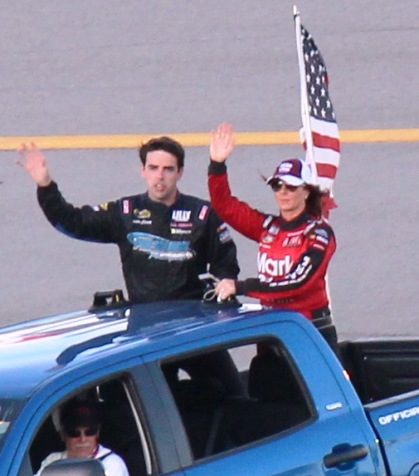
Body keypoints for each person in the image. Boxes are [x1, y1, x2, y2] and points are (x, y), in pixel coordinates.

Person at [17, 138, 239, 303]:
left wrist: (225, 285)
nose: (160, 176)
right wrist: (45, 185)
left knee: (225, 370)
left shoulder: (202, 213)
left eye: (168, 169)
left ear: (180, 173)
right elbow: (72, 222)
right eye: (153, 168)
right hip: (146, 330)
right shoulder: (125, 212)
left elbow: (226, 263)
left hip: (192, 324)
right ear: (143, 171)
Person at [207, 123, 338, 348]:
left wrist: (240, 287)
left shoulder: (319, 233)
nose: (283, 192)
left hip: (309, 332)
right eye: (277, 186)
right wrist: (217, 166)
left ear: (306, 191)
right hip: (273, 329)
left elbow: (298, 283)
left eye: (291, 186)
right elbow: (225, 206)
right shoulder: (268, 227)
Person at [35, 400, 129, 476]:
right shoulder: (52, 462)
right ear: (63, 435)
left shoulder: (111, 463)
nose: (83, 439)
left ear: (97, 433)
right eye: (74, 433)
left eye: (90, 432)